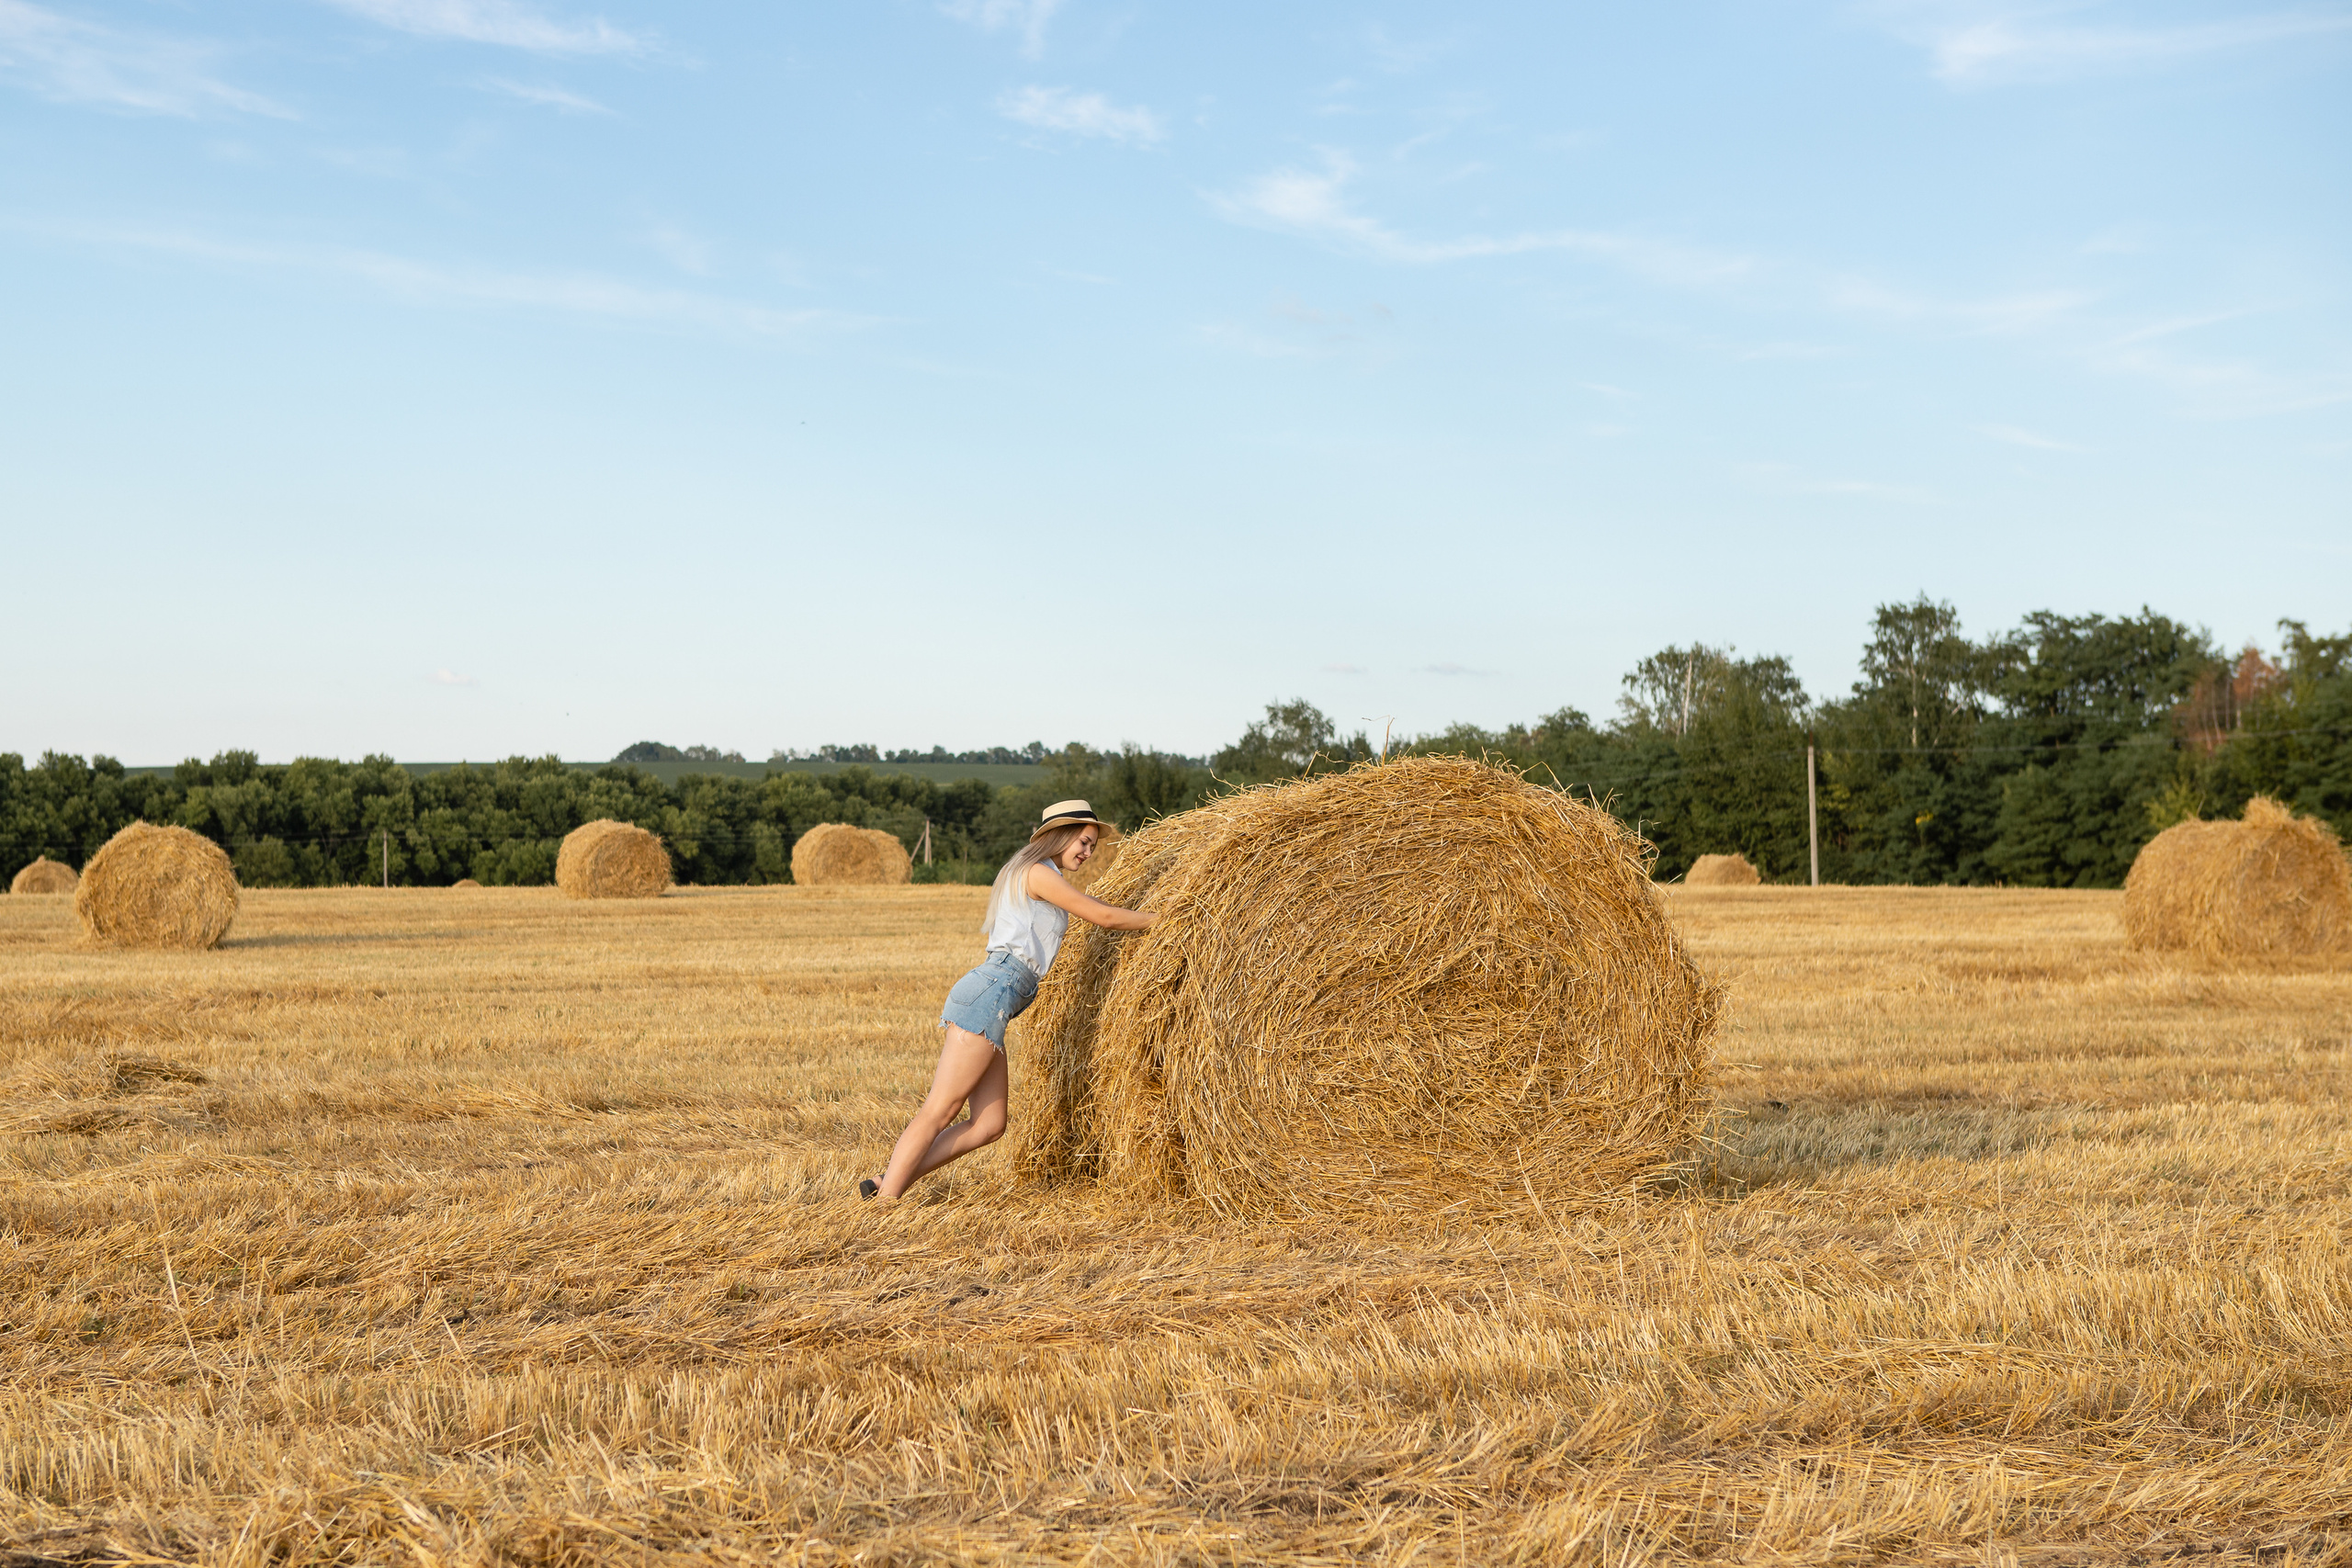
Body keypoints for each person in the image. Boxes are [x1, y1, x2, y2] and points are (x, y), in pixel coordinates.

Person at [860, 799, 1159, 1201]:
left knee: (989, 1126)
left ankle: (886, 1182)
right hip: (991, 992)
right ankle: (886, 1205)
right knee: (941, 1110)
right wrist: (1164, 918)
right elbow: (1102, 916)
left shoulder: (1038, 873)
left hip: (997, 1000)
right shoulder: (1037, 872)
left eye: (1092, 846)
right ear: (1061, 834)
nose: (1088, 853)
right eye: (1084, 842)